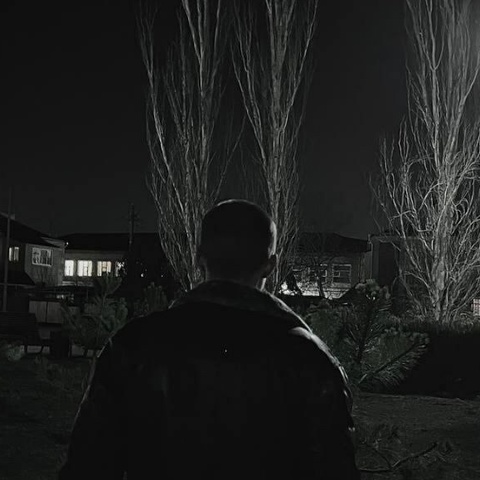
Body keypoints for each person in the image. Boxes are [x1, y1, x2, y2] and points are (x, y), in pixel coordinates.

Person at [58, 199, 360, 479]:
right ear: (271, 264)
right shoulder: (310, 359)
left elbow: (87, 466)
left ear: (198, 258)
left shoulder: (133, 346)